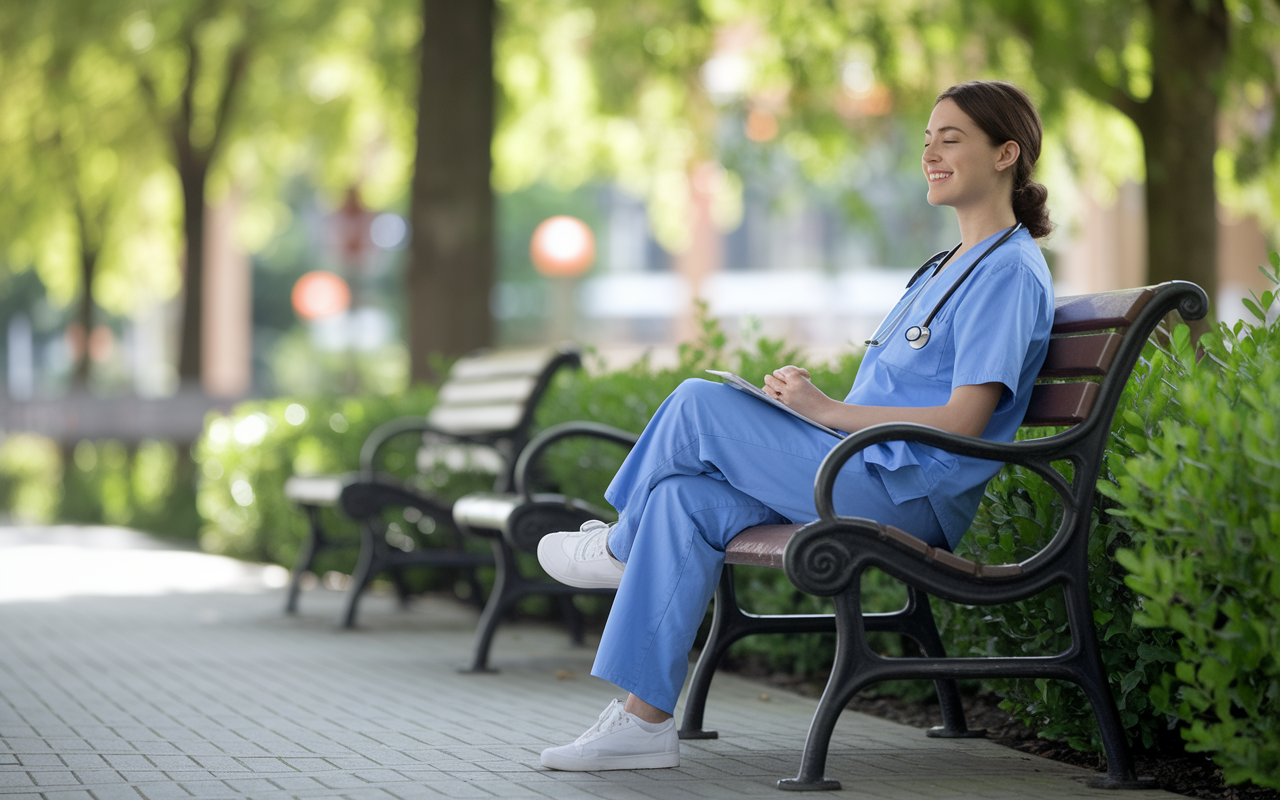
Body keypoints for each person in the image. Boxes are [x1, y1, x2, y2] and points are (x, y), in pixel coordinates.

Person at [535, 79, 1056, 772]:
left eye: (951, 138)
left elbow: (965, 417)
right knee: (680, 500)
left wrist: (828, 412)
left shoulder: (1008, 272)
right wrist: (805, 408)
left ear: (1006, 154)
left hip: (905, 491)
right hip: (858, 466)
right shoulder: (944, 267)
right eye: (927, 138)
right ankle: (643, 725)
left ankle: (617, 550)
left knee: (696, 401)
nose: (930, 151)